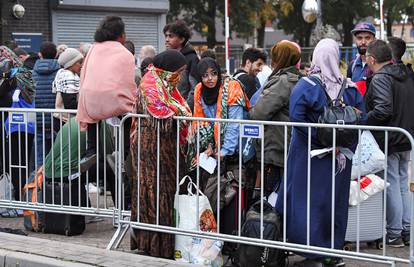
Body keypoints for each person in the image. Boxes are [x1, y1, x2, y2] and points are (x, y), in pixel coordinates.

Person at [277, 38, 365, 267]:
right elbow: (361, 119)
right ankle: (332, 250)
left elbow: (296, 118)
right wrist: (341, 146)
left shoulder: (307, 85)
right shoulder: (350, 87)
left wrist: (320, 141)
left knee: (307, 201)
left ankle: (311, 251)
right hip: (340, 159)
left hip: (309, 156)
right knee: (335, 202)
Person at [129, 50, 192, 258]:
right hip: (150, 151)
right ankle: (153, 245)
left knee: (166, 193)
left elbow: (180, 107)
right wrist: (181, 113)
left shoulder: (166, 85)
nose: (180, 76)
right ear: (169, 70)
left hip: (165, 150)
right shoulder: (150, 83)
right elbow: (162, 112)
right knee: (153, 194)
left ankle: (168, 243)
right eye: (179, 72)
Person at [191, 57, 251, 236]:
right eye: (205, 75)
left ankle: (233, 236)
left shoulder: (231, 86)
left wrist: (225, 150)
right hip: (217, 151)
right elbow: (202, 122)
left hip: (238, 150)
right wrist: (209, 146)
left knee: (233, 192)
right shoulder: (199, 91)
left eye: (214, 74)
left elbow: (234, 122)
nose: (210, 79)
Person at [365, 39, 414, 247]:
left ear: (372, 59)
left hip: (391, 137)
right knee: (402, 184)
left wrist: (363, 120)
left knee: (394, 184)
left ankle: (394, 232)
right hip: (405, 135)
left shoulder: (381, 78)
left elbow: (384, 109)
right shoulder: (406, 75)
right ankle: (406, 230)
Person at [77, 16, 136, 172]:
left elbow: (84, 75)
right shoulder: (125, 54)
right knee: (128, 117)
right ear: (121, 35)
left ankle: (91, 150)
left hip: (90, 99)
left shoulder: (93, 49)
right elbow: (127, 84)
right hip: (115, 101)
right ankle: (123, 154)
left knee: (93, 118)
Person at [249, 40, 302, 198]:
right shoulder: (297, 78)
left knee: (271, 200)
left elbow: (259, 112)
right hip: (286, 144)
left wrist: (250, 110)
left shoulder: (283, 81)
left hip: (275, 147)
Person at [4, 50, 36, 201]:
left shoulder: (11, 78)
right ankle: (26, 196)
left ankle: (20, 197)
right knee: (27, 162)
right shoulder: (30, 78)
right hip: (30, 125)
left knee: (17, 164)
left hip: (16, 126)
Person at [32, 41, 60, 166]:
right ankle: (55, 183)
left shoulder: (32, 74)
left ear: (40, 55)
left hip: (38, 120)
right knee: (57, 156)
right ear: (56, 55)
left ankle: (39, 183)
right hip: (56, 120)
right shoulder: (60, 73)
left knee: (40, 158)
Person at [163, 20, 200, 110]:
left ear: (182, 39)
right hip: (168, 110)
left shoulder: (192, 58)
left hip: (183, 114)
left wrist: (185, 110)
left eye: (171, 36)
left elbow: (195, 89)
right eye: (166, 36)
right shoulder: (166, 57)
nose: (167, 39)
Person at [347, 22, 376, 95]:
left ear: (374, 40)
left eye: (367, 38)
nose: (363, 42)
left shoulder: (380, 64)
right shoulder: (352, 65)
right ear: (355, 40)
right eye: (359, 38)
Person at [53, 48, 84, 112]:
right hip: (66, 119)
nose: (81, 65)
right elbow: (70, 105)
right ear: (71, 64)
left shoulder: (62, 73)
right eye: (80, 62)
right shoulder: (68, 76)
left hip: (62, 118)